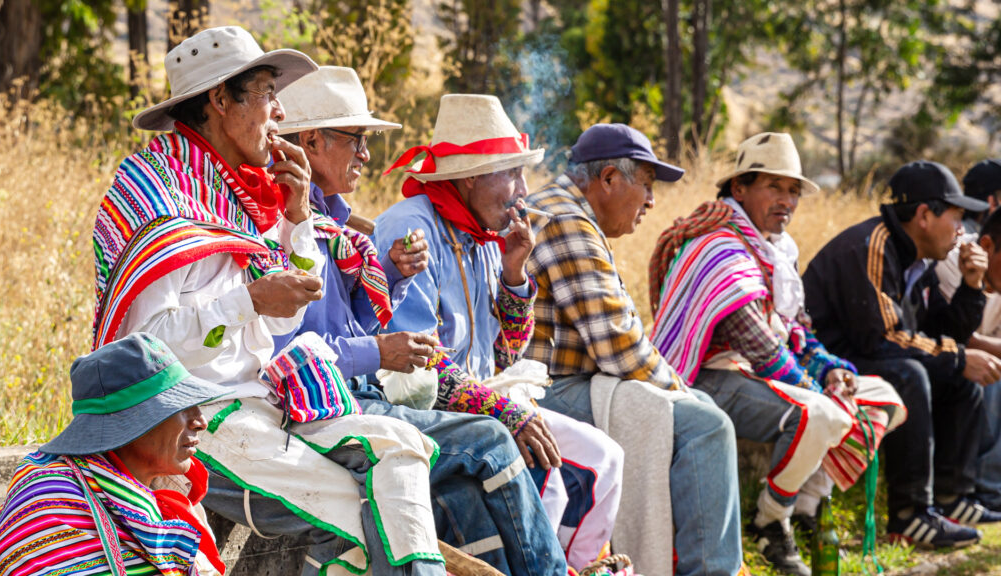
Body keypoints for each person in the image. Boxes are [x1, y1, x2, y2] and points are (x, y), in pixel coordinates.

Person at [93, 27, 444, 575]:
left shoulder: (239, 192)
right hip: (191, 419)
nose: (280, 113)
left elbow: (287, 319)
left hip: (264, 404)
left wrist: (299, 219)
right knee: (362, 513)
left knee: (402, 447)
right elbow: (144, 349)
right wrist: (247, 300)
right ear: (219, 99)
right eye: (265, 94)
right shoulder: (155, 189)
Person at [254, 70, 568, 575]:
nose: (366, 154)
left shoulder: (341, 223)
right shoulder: (307, 223)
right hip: (328, 404)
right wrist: (382, 350)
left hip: (353, 393)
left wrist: (509, 276)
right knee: (493, 439)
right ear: (312, 142)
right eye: (357, 140)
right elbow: (293, 350)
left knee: (468, 490)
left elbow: (503, 356)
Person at [374, 93, 624, 572]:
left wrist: (514, 271)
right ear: (469, 174)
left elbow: (507, 354)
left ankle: (573, 565)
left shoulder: (486, 237)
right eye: (511, 172)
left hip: (483, 399)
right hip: (424, 407)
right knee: (549, 469)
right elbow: (421, 368)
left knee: (605, 459)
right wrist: (509, 413)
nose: (523, 190)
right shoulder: (410, 230)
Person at [647, 133, 906, 575]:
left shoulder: (775, 251)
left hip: (752, 374)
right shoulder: (720, 248)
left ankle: (807, 505)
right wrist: (817, 394)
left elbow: (797, 332)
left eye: (793, 190)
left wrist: (830, 372)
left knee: (885, 397)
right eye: (774, 187)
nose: (786, 199)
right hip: (706, 378)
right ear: (739, 190)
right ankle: (770, 521)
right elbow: (764, 350)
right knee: (823, 416)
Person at [523, 123, 743, 576]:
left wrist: (678, 390)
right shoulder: (565, 220)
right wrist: (677, 388)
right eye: (646, 183)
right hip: (545, 388)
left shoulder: (572, 213)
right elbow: (619, 346)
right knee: (705, 425)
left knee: (697, 408)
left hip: (569, 381)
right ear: (608, 179)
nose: (651, 200)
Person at [803, 160, 1000, 548]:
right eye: (957, 216)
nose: (962, 229)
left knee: (959, 379)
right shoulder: (872, 246)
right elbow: (884, 339)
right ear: (924, 215)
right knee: (911, 374)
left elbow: (941, 333)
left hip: (867, 354)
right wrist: (958, 358)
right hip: (829, 364)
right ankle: (910, 515)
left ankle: (952, 498)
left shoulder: (918, 257)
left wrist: (972, 286)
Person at [0, 333, 230, 576]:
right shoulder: (52, 500)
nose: (200, 421)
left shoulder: (173, 502)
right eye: (182, 406)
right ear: (132, 422)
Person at [935, 160, 1001, 512]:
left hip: (956, 351)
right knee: (989, 372)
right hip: (940, 354)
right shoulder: (959, 255)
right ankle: (987, 489)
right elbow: (960, 336)